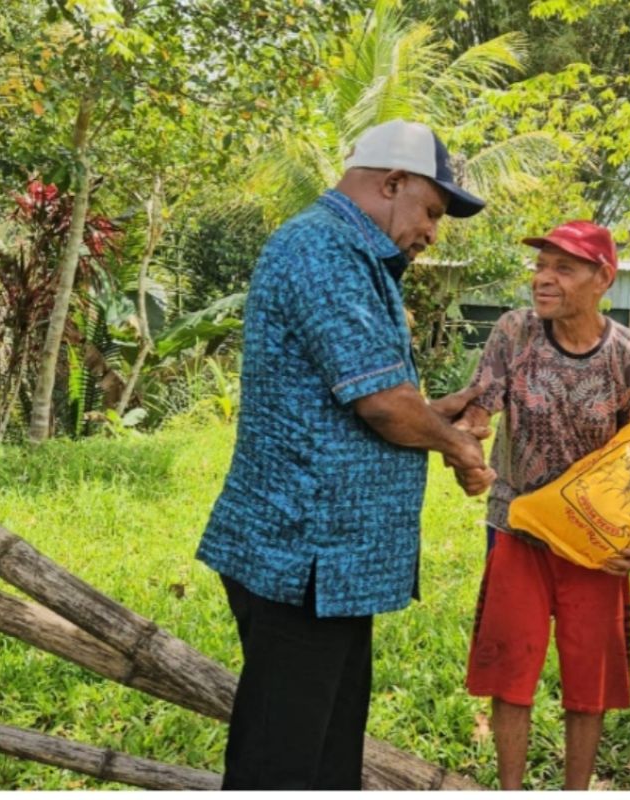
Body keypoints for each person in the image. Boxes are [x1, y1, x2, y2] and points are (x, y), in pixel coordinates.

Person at [196, 119, 496, 790]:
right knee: (281, 764)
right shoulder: (324, 250)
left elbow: (358, 395)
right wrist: (460, 449)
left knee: (327, 753)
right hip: (303, 555)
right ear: (392, 183)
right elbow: (382, 405)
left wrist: (435, 413)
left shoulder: (353, 254)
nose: (431, 232)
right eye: (430, 211)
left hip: (330, 563)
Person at [454, 220, 630, 790]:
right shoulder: (514, 333)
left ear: (603, 279)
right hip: (517, 528)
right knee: (510, 670)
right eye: (540, 266)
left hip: (596, 541)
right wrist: (466, 454)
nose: (543, 279)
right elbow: (479, 409)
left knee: (587, 681)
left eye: (562, 268)